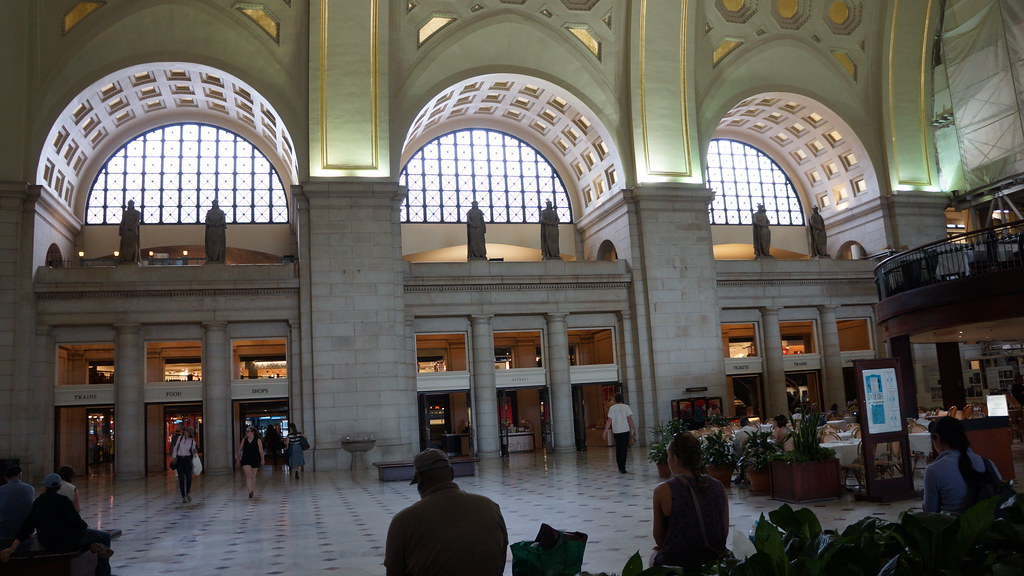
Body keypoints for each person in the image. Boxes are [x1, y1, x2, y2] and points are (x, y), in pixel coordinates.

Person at [385, 449, 507, 576]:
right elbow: (501, 556)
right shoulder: (490, 507)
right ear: (452, 474)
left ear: (419, 479)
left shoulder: (404, 521)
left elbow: (393, 572)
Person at [0, 474, 114, 576]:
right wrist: (84, 527)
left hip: (46, 542)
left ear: (45, 486)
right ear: (59, 487)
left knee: (88, 538)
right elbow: (78, 523)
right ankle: (103, 572)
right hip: (68, 541)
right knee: (104, 536)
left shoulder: (38, 502)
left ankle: (93, 545)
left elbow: (27, 526)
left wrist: (12, 548)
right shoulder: (63, 500)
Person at [651, 432, 729, 570]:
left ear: (675, 458)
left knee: (654, 555)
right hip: (713, 562)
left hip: (679, 563)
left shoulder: (663, 490)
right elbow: (723, 533)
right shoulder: (718, 486)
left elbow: (659, 539)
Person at [923, 416, 1002, 514]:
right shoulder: (987, 462)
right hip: (987, 522)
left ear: (937, 437)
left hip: (953, 523)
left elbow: (930, 511)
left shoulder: (933, 470)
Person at [0, 466, 34, 552]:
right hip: (26, 534)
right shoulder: (30, 489)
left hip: (4, 533)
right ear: (20, 475)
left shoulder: (1, 490)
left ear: (5, 477)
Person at [604, 393, 638, 473]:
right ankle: (623, 467)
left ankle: (620, 466)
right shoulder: (626, 407)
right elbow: (629, 419)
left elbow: (609, 421)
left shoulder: (612, 408)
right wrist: (634, 429)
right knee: (624, 449)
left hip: (616, 431)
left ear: (615, 400)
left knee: (618, 448)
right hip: (625, 430)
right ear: (622, 399)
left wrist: (605, 431)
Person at [237, 425, 264, 498]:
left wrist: (262, 459)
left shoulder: (258, 440)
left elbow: (261, 451)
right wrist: (238, 460)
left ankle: (252, 489)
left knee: (253, 475)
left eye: (248, 431)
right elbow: (239, 450)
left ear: (252, 432)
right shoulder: (244, 440)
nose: (247, 433)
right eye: (246, 432)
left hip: (255, 459)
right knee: (248, 475)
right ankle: (249, 492)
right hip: (245, 459)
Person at [172, 427, 197, 503]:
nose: (186, 432)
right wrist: (174, 457)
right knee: (181, 479)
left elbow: (194, 451)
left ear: (190, 433)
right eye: (185, 431)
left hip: (187, 460)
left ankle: (187, 492)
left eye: (188, 432)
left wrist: (194, 452)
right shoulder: (180, 439)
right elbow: (175, 448)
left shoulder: (192, 441)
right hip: (180, 459)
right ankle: (183, 496)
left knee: (189, 478)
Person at [118, 199, 141, 263]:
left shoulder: (137, 213)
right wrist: (120, 230)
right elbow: (123, 221)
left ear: (133, 205)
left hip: (133, 231)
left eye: (131, 204)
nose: (130, 205)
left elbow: (137, 221)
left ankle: (134, 258)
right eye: (129, 204)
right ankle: (124, 258)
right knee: (125, 246)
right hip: (126, 231)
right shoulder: (125, 212)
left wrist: (132, 227)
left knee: (134, 245)